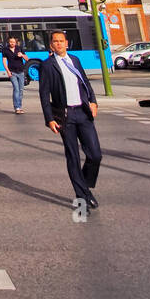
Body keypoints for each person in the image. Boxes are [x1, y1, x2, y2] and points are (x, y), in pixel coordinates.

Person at [39, 30, 101, 208]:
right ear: (51, 45)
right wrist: (49, 118)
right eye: (55, 41)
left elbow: (85, 83)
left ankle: (85, 186)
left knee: (95, 154)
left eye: (61, 41)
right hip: (65, 116)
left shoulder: (75, 60)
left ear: (67, 43)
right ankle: (82, 196)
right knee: (73, 156)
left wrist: (93, 102)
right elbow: (44, 95)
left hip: (82, 112)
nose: (59, 44)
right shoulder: (48, 65)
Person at [2, 35, 29, 114]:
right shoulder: (5, 50)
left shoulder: (19, 48)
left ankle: (20, 106)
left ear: (16, 42)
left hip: (21, 71)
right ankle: (16, 107)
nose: (12, 43)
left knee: (21, 90)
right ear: (8, 42)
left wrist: (22, 55)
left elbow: (27, 59)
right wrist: (7, 71)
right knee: (16, 89)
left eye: (13, 42)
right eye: (11, 42)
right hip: (12, 72)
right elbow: (4, 61)